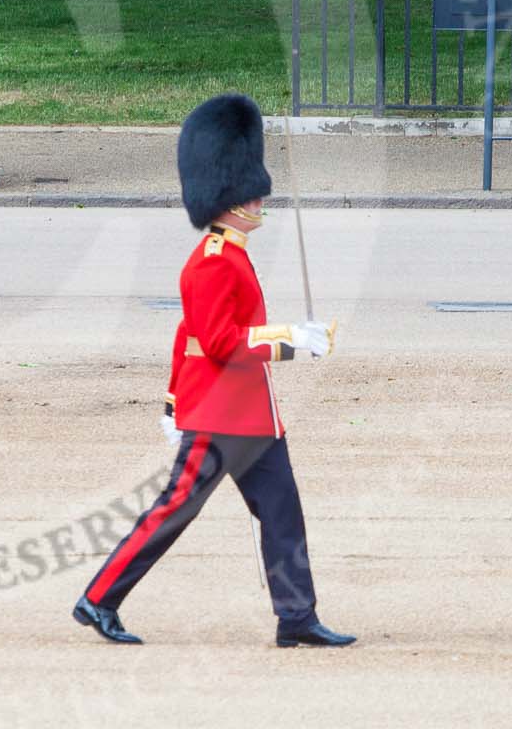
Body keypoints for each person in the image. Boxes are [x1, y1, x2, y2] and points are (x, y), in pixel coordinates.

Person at [72, 93, 351, 648]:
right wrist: (290, 340)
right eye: (249, 193)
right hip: (222, 415)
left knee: (283, 516)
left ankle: (296, 616)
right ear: (227, 200)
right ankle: (99, 598)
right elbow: (220, 344)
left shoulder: (234, 254)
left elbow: (189, 338)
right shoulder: (212, 264)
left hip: (253, 418)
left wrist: (174, 401)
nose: (259, 199)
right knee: (174, 511)